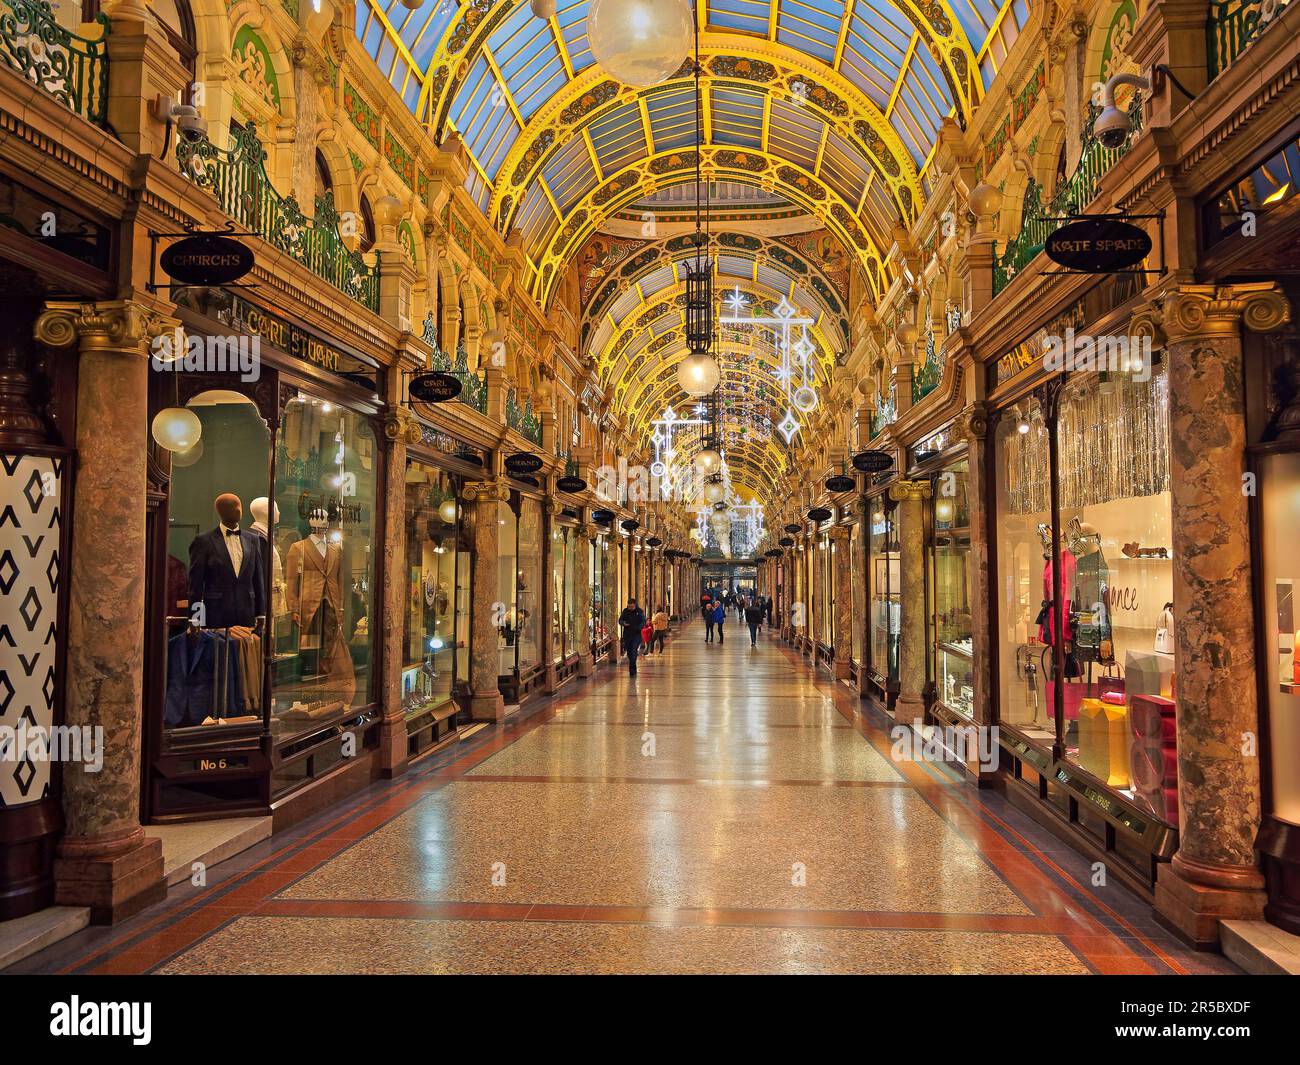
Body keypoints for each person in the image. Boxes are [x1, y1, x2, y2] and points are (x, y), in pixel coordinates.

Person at [618, 597, 646, 677]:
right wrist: (623, 623)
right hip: (627, 635)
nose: (630, 608)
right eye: (629, 606)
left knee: (633, 650)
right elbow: (620, 620)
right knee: (630, 653)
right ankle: (633, 666)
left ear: (635, 605)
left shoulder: (639, 612)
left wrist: (638, 627)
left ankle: (632, 670)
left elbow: (643, 621)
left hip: (636, 635)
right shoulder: (625, 611)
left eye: (632, 607)